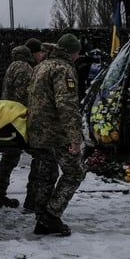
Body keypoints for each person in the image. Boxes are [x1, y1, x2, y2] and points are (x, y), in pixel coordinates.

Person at [27, 33, 86, 237]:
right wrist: (74, 137)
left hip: (37, 132)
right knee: (75, 173)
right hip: (56, 133)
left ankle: (41, 216)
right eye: (78, 52)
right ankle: (51, 217)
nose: (79, 56)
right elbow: (67, 104)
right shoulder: (63, 69)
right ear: (72, 52)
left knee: (45, 175)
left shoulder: (41, 66)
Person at [0, 39, 48, 211]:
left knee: (9, 158)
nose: (42, 56)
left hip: (9, 120)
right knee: (41, 156)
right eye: (40, 52)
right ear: (32, 52)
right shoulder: (24, 68)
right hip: (19, 122)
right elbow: (25, 98)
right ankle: (33, 199)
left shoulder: (13, 66)